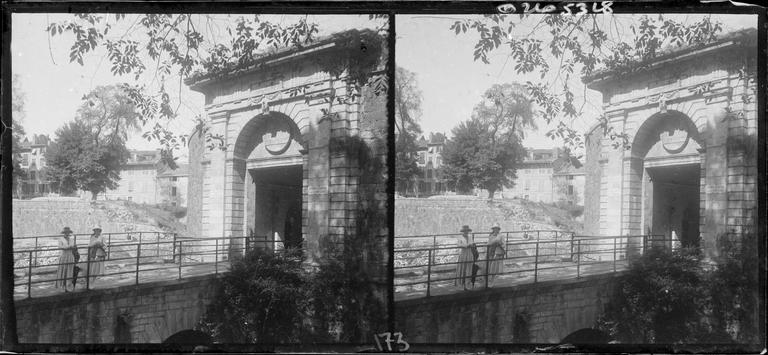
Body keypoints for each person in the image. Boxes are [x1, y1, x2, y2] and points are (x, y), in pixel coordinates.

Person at [55, 227, 77, 292]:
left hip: (70, 256)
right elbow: (60, 246)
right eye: (66, 233)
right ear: (64, 233)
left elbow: (74, 246)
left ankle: (68, 285)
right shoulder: (61, 239)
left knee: (69, 271)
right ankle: (62, 285)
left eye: (68, 233)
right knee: (63, 270)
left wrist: (72, 247)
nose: (67, 234)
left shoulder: (71, 239)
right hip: (64, 256)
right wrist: (66, 247)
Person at [455, 225, 477, 290]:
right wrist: (465, 245)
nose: (466, 232)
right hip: (463, 253)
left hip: (469, 253)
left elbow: (473, 244)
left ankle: (467, 283)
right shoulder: (460, 238)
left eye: (467, 231)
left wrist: (471, 245)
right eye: (465, 231)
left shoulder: (470, 237)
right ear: (463, 231)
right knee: (462, 267)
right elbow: (458, 245)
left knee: (469, 268)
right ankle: (461, 283)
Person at [486, 223, 505, 287]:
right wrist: (492, 243)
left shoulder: (501, 236)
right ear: (493, 229)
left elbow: (504, 245)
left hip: (497, 253)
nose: (496, 230)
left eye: (497, 229)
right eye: (494, 229)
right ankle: (489, 281)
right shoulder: (491, 236)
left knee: (493, 268)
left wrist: (499, 244)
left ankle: (491, 282)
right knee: (489, 267)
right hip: (491, 252)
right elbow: (488, 243)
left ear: (498, 229)